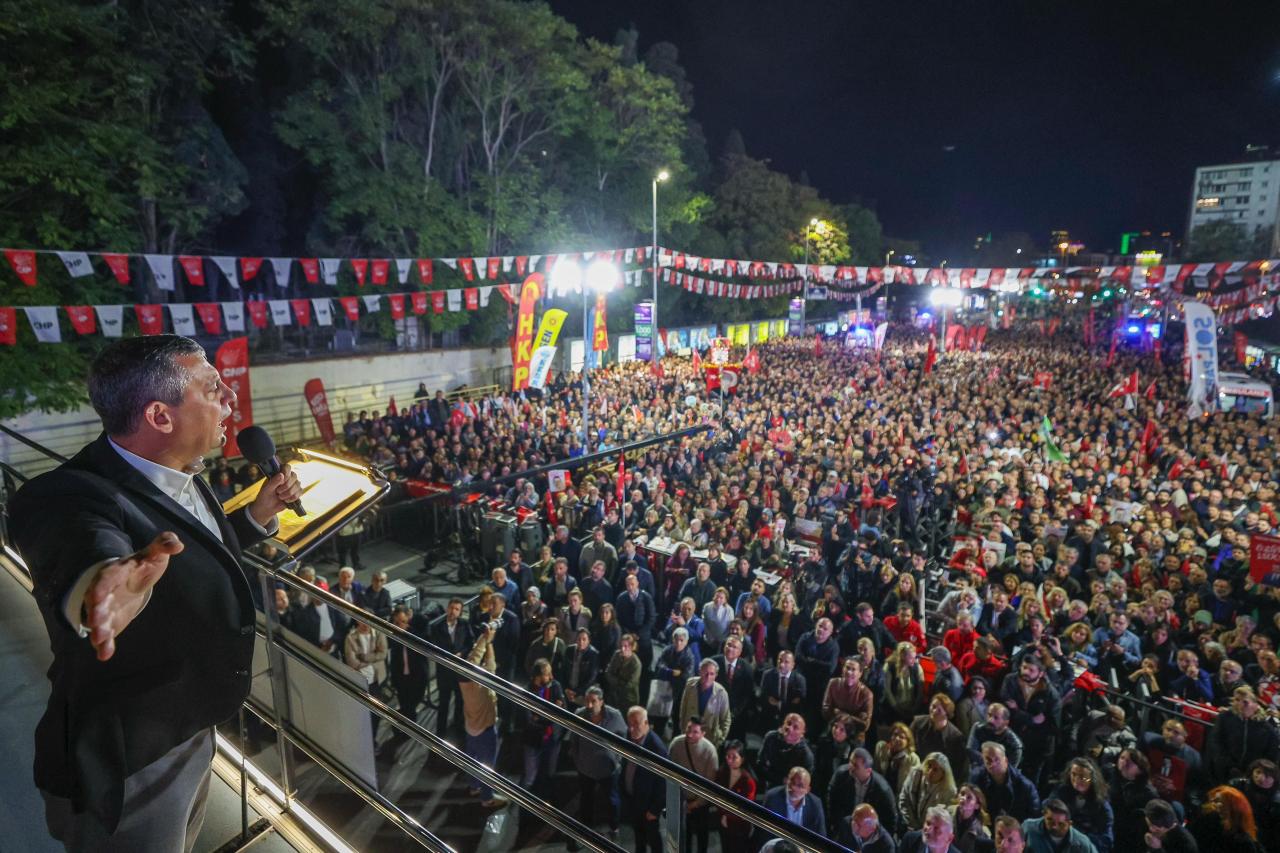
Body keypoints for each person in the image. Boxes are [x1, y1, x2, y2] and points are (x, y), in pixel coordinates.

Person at [11, 335, 302, 850]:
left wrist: (257, 515)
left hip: (190, 728)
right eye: (213, 389)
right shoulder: (65, 495)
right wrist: (98, 588)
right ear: (160, 417)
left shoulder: (175, 469)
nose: (230, 400)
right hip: (133, 759)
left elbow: (193, 545)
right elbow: (84, 551)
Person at [570, 686, 626, 846]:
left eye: (593, 701)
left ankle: (614, 828)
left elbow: (623, 738)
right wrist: (578, 761)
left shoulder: (615, 716)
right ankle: (586, 829)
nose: (589, 705)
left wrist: (617, 760)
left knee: (612, 801)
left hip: (609, 769)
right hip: (586, 768)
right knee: (586, 800)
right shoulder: (580, 715)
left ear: (601, 702)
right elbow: (573, 740)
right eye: (587, 701)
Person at [458, 625, 506, 808]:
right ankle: (487, 798)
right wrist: (487, 639)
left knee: (472, 758)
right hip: (486, 728)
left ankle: (473, 786)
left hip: (471, 727)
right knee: (487, 764)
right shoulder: (479, 683)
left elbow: (478, 659)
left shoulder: (467, 684)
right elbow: (487, 663)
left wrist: (486, 640)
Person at [621, 707, 669, 853]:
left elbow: (664, 783)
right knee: (639, 838)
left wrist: (654, 810)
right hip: (634, 801)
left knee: (653, 840)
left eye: (636, 723)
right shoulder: (630, 737)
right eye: (629, 724)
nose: (631, 728)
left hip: (648, 808)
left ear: (646, 723)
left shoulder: (657, 749)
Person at [670, 716, 720, 853]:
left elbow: (710, 784)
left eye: (695, 732)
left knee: (702, 835)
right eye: (688, 729)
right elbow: (669, 772)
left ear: (703, 734)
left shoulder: (710, 751)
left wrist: (695, 804)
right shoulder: (676, 744)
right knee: (683, 836)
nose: (690, 734)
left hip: (700, 802)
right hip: (681, 799)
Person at [828, 746, 901, 837]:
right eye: (851, 762)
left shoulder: (882, 790)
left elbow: (890, 821)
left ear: (868, 771)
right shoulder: (841, 775)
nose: (851, 767)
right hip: (845, 829)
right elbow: (832, 802)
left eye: (856, 765)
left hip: (868, 835)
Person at [427, 598, 472, 738]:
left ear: (460, 612)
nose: (453, 611)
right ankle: (440, 734)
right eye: (451, 608)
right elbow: (433, 646)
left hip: (459, 671)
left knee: (460, 701)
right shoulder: (437, 627)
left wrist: (462, 653)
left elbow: (470, 642)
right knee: (444, 702)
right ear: (447, 608)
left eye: (456, 609)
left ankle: (458, 728)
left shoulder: (464, 624)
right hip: (444, 672)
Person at [520, 659, 565, 797]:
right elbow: (528, 721)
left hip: (552, 739)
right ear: (537, 677)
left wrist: (539, 717)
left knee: (550, 773)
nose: (551, 676)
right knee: (530, 776)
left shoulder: (555, 686)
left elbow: (562, 711)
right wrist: (550, 715)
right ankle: (524, 804)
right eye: (547, 674)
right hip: (533, 741)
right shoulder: (527, 692)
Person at [1189, 786, 1265, 853]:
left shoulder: (1243, 842)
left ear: (1232, 808)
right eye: (1212, 800)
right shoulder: (1206, 823)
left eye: (1217, 801)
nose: (1212, 803)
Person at [715, 740, 759, 850]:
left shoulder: (748, 781)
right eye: (728, 756)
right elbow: (716, 795)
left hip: (740, 827)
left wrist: (727, 816)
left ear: (742, 759)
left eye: (734, 757)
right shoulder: (722, 773)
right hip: (723, 823)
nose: (729, 760)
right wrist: (723, 815)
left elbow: (745, 807)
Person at [678, 659, 732, 748]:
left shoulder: (721, 693)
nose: (708, 677)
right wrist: (683, 729)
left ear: (716, 675)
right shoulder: (690, 684)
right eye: (705, 672)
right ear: (700, 671)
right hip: (689, 734)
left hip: (709, 738)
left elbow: (726, 720)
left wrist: (720, 739)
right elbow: (683, 708)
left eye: (712, 674)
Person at [759, 713, 817, 792]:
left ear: (802, 734)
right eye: (788, 723)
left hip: (792, 791)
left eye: (795, 727)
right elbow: (760, 764)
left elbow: (804, 783)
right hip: (769, 784)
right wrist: (780, 779)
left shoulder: (806, 755)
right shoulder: (771, 738)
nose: (790, 728)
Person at [764, 766, 826, 835]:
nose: (794, 788)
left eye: (800, 786)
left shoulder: (815, 804)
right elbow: (764, 832)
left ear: (807, 790)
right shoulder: (772, 797)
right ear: (786, 781)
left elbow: (821, 835)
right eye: (792, 782)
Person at [1022, 799, 1100, 853]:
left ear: (1069, 824)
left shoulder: (1082, 843)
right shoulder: (1028, 828)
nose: (1054, 826)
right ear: (1044, 815)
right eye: (1050, 821)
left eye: (1061, 824)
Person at [899, 805, 964, 853]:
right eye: (928, 823)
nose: (928, 829)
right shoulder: (910, 840)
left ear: (949, 838)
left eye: (936, 828)